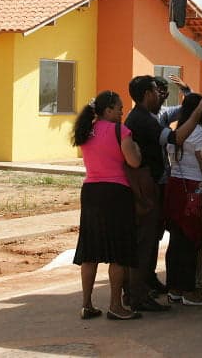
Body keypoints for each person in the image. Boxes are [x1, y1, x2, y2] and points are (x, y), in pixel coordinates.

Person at [124, 75, 202, 313]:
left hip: (167, 187)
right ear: (146, 94)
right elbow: (175, 137)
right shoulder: (143, 120)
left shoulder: (151, 117)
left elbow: (177, 123)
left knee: (168, 240)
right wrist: (196, 113)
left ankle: (159, 287)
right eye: (156, 91)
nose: (161, 95)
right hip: (153, 186)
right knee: (153, 240)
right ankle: (138, 294)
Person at [71, 90, 142, 321]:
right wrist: (137, 150)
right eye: (119, 107)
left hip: (91, 191)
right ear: (108, 109)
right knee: (118, 252)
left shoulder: (85, 131)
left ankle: (86, 304)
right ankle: (115, 305)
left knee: (90, 251)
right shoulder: (120, 131)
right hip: (116, 193)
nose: (122, 111)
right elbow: (134, 161)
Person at [164, 93, 202, 306]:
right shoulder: (198, 133)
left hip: (175, 186)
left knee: (176, 241)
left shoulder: (178, 131)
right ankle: (189, 290)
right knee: (191, 242)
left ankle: (174, 288)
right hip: (193, 189)